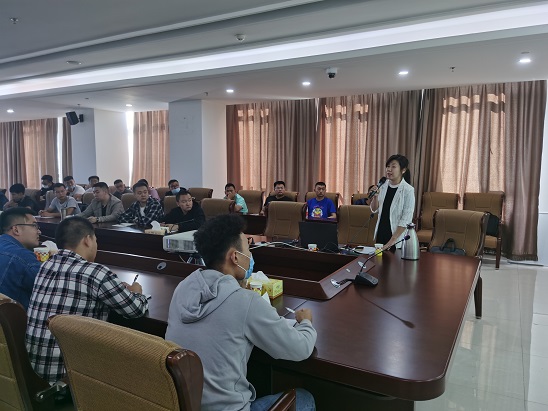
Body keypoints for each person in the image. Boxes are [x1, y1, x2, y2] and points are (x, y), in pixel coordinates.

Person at [165, 214, 316, 411]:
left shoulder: (182, 288)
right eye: (248, 250)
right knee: (304, 398)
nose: (250, 255)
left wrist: (236, 287)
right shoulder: (246, 302)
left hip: (183, 404)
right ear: (235, 257)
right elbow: (300, 349)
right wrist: (306, 322)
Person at [26, 216, 148, 384]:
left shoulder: (46, 265)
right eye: (96, 240)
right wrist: (137, 291)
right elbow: (135, 310)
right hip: (70, 377)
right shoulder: (95, 272)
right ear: (87, 240)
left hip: (33, 374)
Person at [369, 154, 415, 250]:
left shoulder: (408, 190)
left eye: (393, 167)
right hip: (381, 233)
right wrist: (375, 197)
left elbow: (406, 219)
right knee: (379, 259)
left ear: (403, 170)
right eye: (388, 166)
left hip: (397, 238)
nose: (389, 169)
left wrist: (391, 241)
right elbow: (374, 209)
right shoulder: (382, 185)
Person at [0, 208, 41, 310]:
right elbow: (48, 288)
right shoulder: (23, 257)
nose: (39, 231)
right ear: (16, 230)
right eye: (34, 226)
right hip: (13, 318)